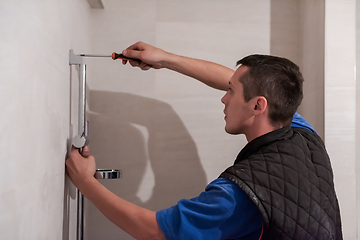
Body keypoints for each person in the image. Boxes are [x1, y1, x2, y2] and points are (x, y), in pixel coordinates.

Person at [66, 41, 343, 240]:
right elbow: (236, 81)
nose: (224, 97)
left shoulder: (240, 195)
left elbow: (153, 231)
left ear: (258, 106)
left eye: (231, 92)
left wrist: (85, 182)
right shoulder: (304, 137)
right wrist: (165, 59)